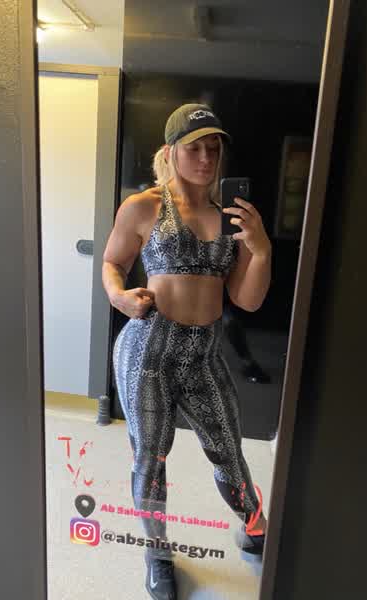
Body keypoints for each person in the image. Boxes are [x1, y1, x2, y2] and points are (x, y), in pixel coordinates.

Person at [102, 104, 272, 600]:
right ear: (171, 151)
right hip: (147, 352)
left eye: (213, 148)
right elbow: (113, 262)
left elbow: (246, 299)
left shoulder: (232, 217)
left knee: (229, 452)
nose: (205, 158)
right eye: (194, 147)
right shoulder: (144, 206)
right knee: (151, 458)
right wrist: (119, 296)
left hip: (204, 356)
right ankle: (156, 554)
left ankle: (255, 526)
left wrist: (260, 249)